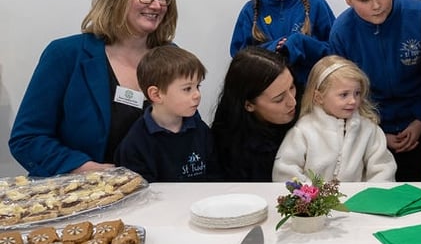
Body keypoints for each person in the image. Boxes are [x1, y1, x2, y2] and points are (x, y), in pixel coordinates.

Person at [9, 0, 178, 177]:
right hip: (85, 198)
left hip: (159, 195)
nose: (157, 5)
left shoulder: (171, 56)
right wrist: (82, 168)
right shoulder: (66, 55)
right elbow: (27, 138)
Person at [329, 0, 421, 182]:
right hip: (369, 131)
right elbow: (340, 95)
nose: (376, 5)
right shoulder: (341, 33)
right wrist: (377, 132)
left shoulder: (420, 14)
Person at [272, 55, 397, 182]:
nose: (353, 100)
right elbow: (285, 171)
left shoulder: (368, 129)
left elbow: (383, 169)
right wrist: (309, 195)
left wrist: (371, 195)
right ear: (319, 97)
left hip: (357, 200)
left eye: (357, 93)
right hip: (314, 200)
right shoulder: (303, 130)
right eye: (344, 95)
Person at [114, 46, 220, 182]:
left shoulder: (201, 130)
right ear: (156, 95)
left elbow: (214, 177)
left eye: (197, 86)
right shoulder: (135, 143)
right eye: (187, 89)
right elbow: (139, 193)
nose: (197, 95)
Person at [211, 46, 297, 181]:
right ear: (249, 105)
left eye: (292, 87)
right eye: (279, 99)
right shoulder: (228, 147)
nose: (292, 102)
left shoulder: (306, 114)